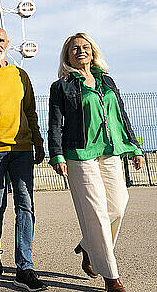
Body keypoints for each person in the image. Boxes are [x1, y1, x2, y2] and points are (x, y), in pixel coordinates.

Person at [48, 32, 144, 292]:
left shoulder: (107, 81)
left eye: (85, 47)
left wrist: (134, 146)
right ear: (67, 55)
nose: (81, 51)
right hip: (80, 155)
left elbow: (121, 114)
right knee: (97, 215)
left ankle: (89, 246)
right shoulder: (62, 86)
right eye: (74, 49)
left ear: (93, 52)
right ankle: (112, 277)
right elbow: (55, 124)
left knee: (119, 205)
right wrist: (55, 154)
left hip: (111, 150)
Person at [0, 27, 47, 291]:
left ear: (8, 43)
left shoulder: (19, 74)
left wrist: (38, 140)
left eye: (0, 40)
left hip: (22, 148)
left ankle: (25, 266)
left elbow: (30, 110)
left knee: (25, 205)